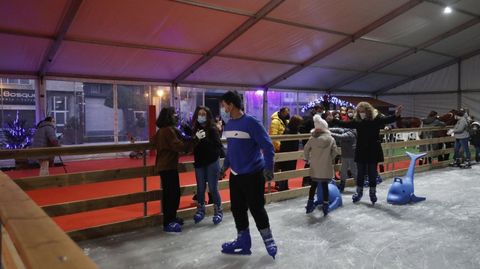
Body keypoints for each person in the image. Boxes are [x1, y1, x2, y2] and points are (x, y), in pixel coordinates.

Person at [218, 91, 277, 259]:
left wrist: (269, 168)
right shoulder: (229, 125)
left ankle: (268, 239)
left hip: (252, 174)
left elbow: (268, 146)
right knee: (237, 209)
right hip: (236, 176)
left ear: (231, 104)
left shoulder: (251, 123)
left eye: (224, 105)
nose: (223, 108)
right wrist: (224, 168)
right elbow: (231, 151)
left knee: (257, 208)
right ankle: (243, 240)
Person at [331, 102, 402, 205]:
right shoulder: (358, 121)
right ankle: (359, 192)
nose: (361, 113)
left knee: (372, 173)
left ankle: (372, 192)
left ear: (368, 111)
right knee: (360, 173)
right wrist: (333, 120)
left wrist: (396, 115)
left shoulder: (376, 119)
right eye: (359, 112)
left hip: (373, 150)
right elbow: (345, 124)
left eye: (363, 111)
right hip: (361, 150)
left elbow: (388, 120)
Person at [151, 107, 191, 233]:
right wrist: (192, 142)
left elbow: (154, 141)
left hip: (167, 166)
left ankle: (172, 218)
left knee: (172, 193)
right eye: (174, 115)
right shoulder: (168, 131)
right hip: (167, 166)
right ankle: (168, 222)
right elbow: (178, 146)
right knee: (171, 194)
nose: (176, 117)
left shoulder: (164, 130)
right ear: (169, 117)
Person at [191, 106, 223, 225]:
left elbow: (218, 146)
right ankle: (200, 209)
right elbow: (191, 145)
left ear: (208, 116)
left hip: (212, 162)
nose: (201, 116)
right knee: (200, 188)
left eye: (204, 114)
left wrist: (206, 141)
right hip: (199, 162)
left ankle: (218, 211)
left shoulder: (212, 129)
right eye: (199, 114)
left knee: (213, 188)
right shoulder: (195, 129)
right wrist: (196, 139)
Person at [304, 115, 339, 216]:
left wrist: (308, 159)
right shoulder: (331, 139)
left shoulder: (312, 139)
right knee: (324, 186)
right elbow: (335, 152)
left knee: (313, 185)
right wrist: (329, 158)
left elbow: (306, 149)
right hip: (326, 165)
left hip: (315, 166)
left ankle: (310, 204)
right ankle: (325, 206)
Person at [299, 105, 325, 186]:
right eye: (319, 110)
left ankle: (313, 180)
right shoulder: (308, 118)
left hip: (319, 143)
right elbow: (301, 129)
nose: (320, 112)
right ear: (315, 110)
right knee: (309, 161)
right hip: (310, 142)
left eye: (321, 110)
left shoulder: (321, 119)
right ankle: (306, 180)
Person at [276, 115, 303, 191]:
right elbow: (285, 144)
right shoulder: (288, 131)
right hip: (287, 153)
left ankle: (285, 186)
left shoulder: (293, 130)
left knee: (288, 171)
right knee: (285, 171)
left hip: (292, 152)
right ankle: (282, 188)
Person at [329, 126, 357, 193]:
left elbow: (340, 136)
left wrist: (327, 132)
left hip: (351, 155)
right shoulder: (346, 130)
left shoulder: (351, 133)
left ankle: (359, 186)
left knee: (354, 171)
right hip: (345, 155)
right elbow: (338, 129)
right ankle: (342, 186)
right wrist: (327, 128)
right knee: (343, 171)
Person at [269, 107, 290, 191]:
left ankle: (282, 183)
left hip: (284, 146)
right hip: (277, 147)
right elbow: (274, 136)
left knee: (283, 166)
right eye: (286, 113)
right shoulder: (275, 122)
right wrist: (279, 147)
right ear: (281, 112)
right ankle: (277, 183)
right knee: (277, 166)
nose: (287, 114)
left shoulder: (286, 121)